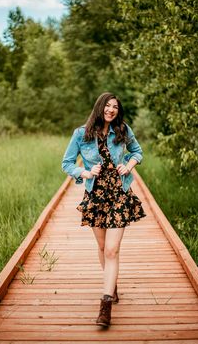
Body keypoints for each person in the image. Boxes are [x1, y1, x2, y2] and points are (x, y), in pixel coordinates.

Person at [62, 92, 146, 327]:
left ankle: (105, 305)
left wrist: (128, 165)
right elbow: (66, 163)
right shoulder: (81, 134)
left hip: (119, 194)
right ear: (99, 107)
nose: (111, 110)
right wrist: (85, 172)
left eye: (115, 107)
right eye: (107, 106)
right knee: (101, 246)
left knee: (111, 250)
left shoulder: (122, 130)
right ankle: (113, 283)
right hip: (95, 196)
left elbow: (137, 152)